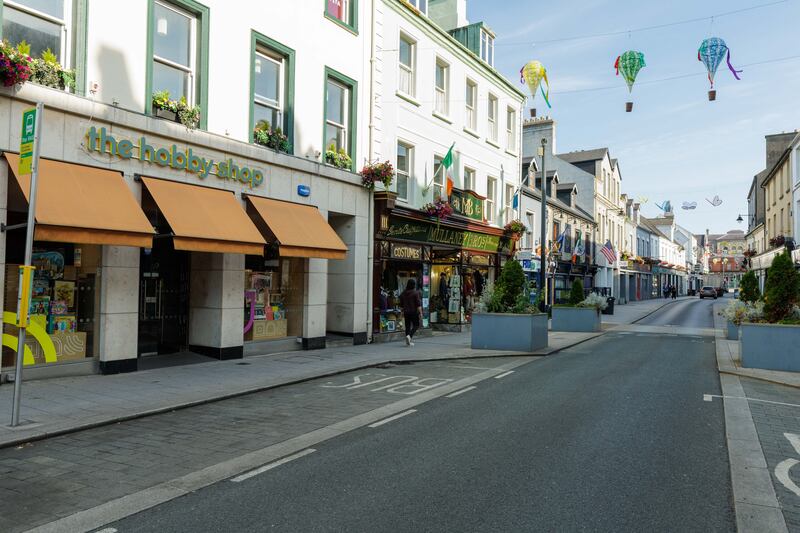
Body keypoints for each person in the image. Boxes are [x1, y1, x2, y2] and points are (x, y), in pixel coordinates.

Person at [399, 279, 422, 346]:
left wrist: (401, 312)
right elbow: (418, 304)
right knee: (416, 325)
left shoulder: (403, 293)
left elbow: (401, 305)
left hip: (406, 312)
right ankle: (409, 336)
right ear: (414, 285)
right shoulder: (415, 293)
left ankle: (408, 342)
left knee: (407, 326)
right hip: (413, 312)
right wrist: (421, 313)